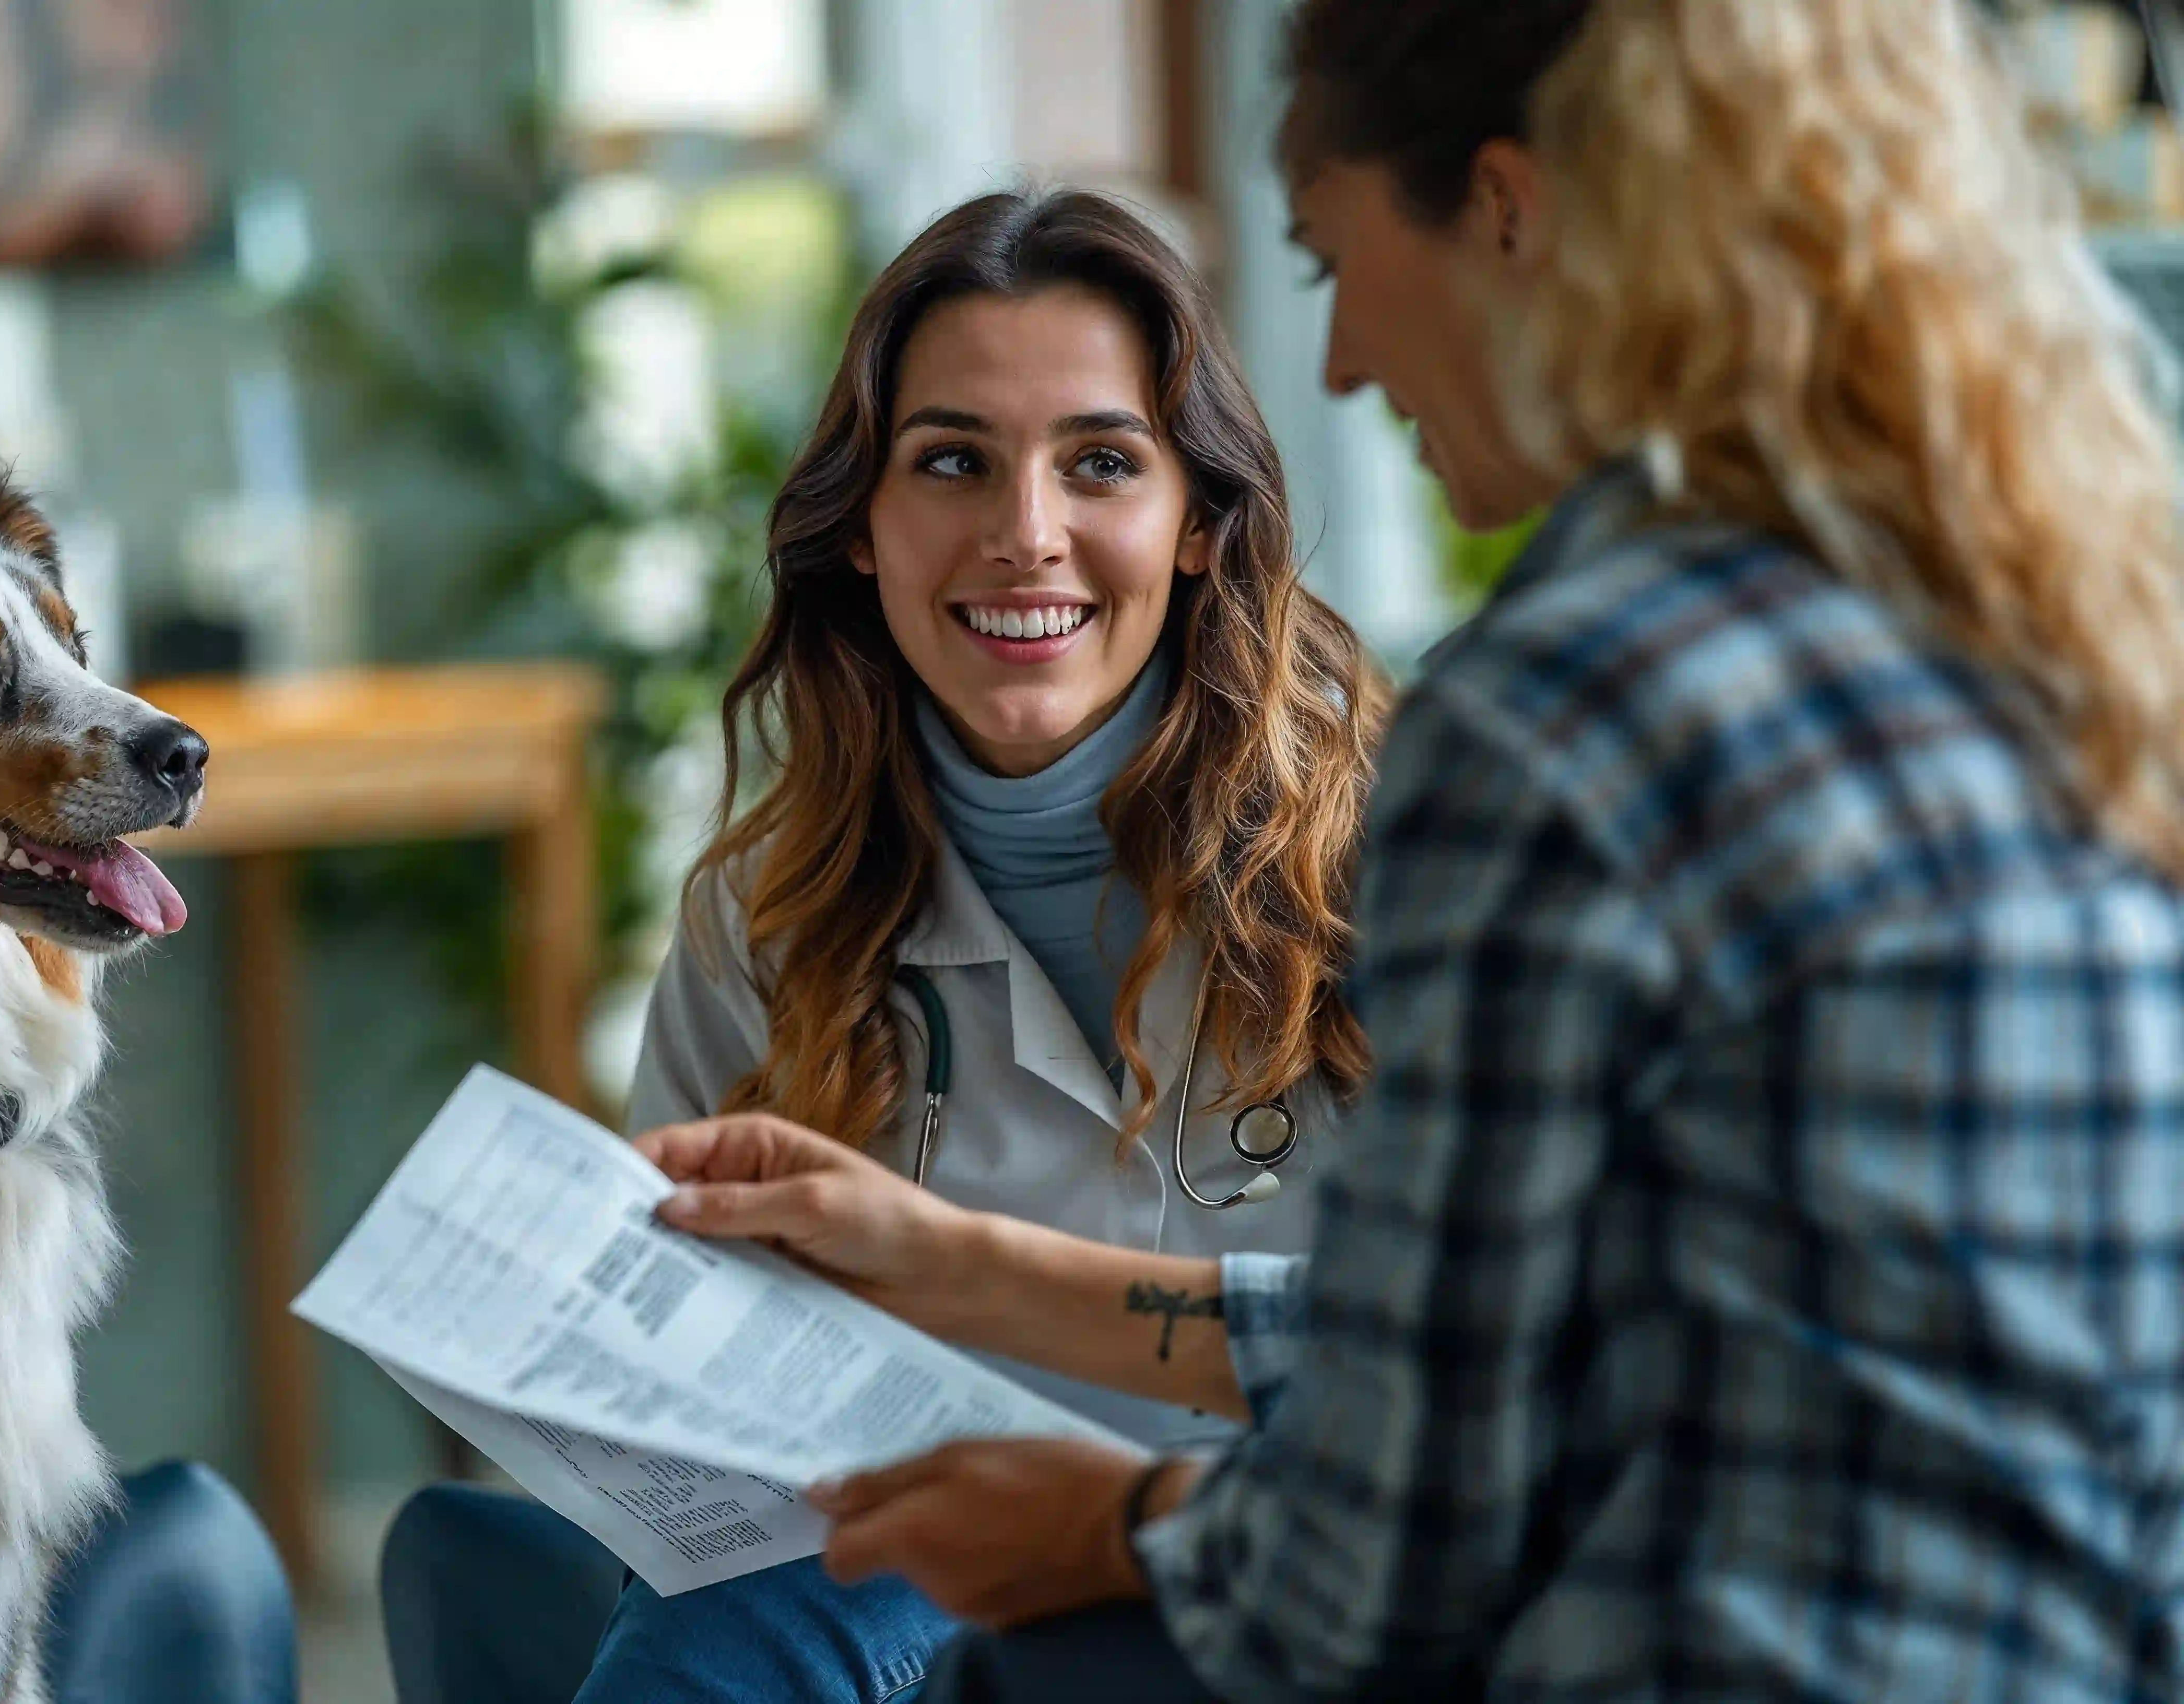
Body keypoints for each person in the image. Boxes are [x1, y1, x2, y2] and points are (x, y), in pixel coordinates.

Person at [623, 0, 2184, 1698]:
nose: (1351, 357)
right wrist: (957, 1270)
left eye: (1331, 257)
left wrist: (1102, 1523)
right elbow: (1523, 1352)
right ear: (858, 524)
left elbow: (1385, 1550)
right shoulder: (2027, 641)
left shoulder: (1560, 726)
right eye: (951, 463)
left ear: (1506, 212)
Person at [380, 188, 1388, 1703]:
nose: (1025, 536)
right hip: (900, 1593)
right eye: (954, 464)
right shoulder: (767, 917)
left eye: (1100, 464)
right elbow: (701, 1404)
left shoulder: (1405, 867)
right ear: (862, 527)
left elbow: (1495, 1377)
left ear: (1197, 526)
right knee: (505, 1562)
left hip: (1274, 1592)